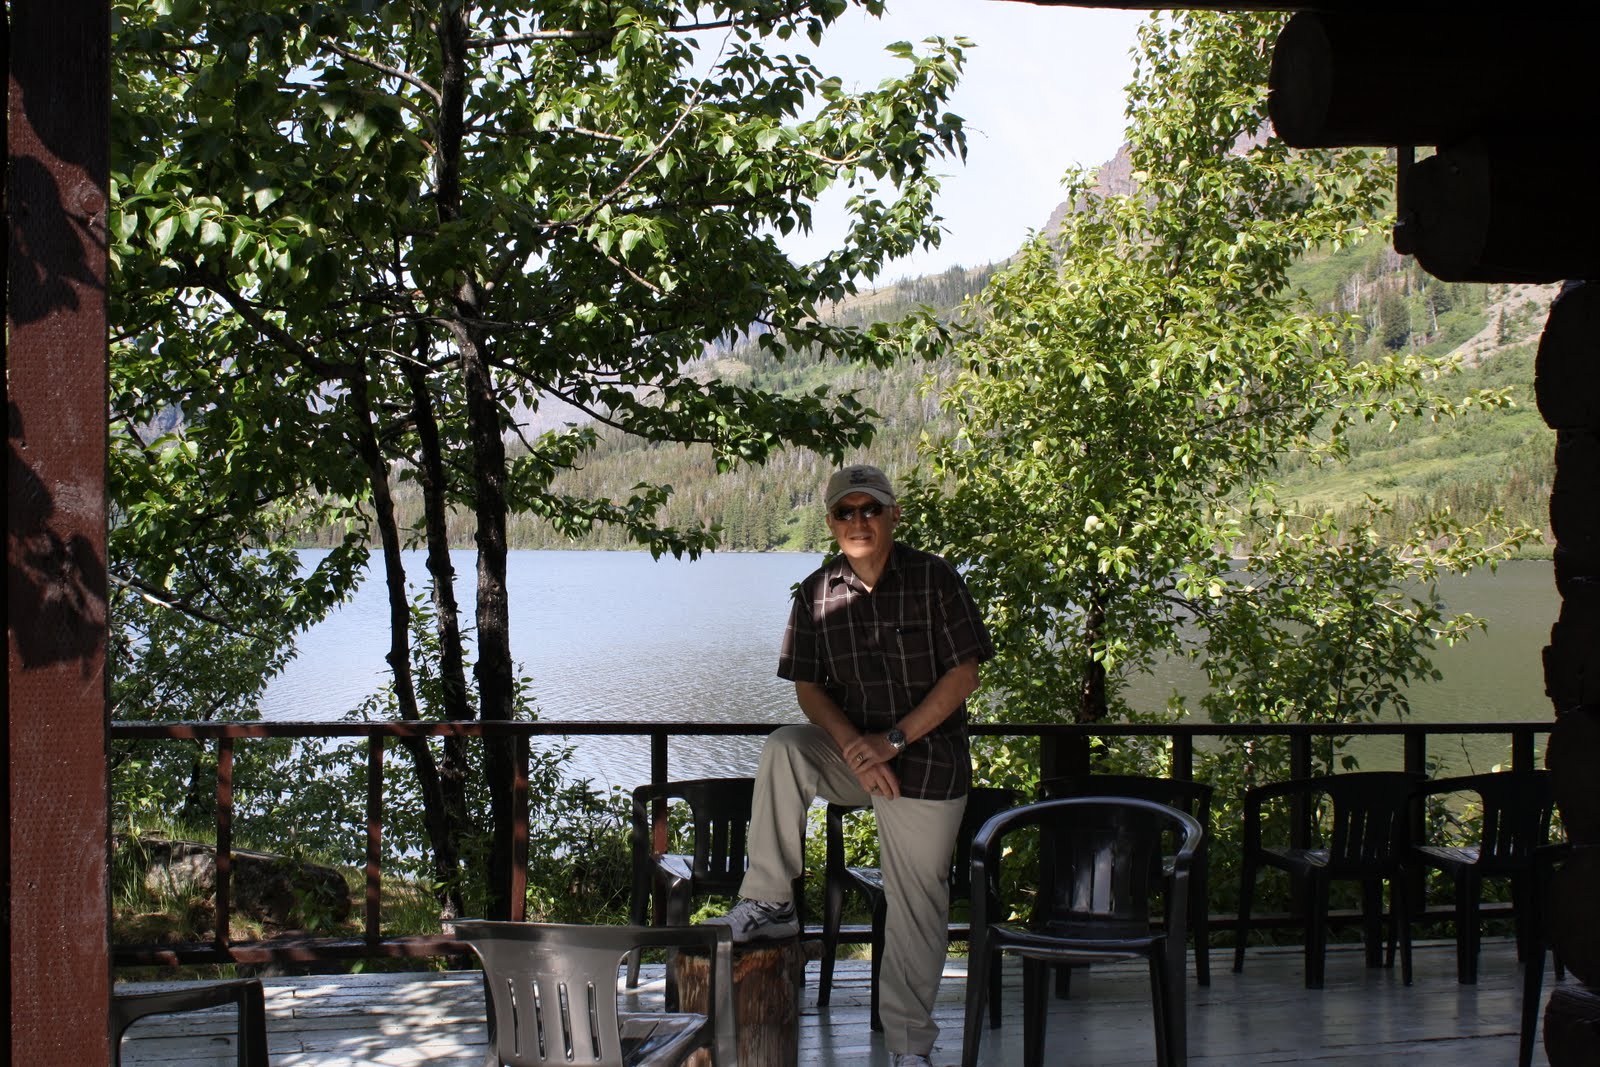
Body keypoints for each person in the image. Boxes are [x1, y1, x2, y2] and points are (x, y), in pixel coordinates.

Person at [707, 464, 994, 1067]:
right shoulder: (814, 593)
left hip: (928, 763)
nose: (858, 521)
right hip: (858, 755)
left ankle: (909, 1048)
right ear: (831, 521)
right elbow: (809, 688)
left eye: (870, 509)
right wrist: (857, 749)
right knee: (786, 748)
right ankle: (770, 900)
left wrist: (891, 741)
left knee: (917, 902)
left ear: (894, 515)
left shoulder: (934, 578)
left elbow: (964, 674)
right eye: (845, 511)